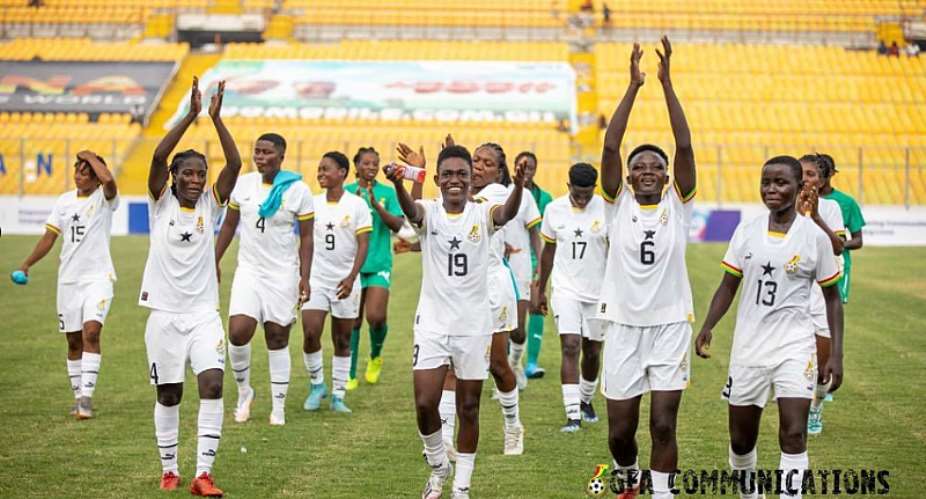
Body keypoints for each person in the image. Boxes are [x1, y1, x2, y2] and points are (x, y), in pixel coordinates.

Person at [696, 155, 844, 499]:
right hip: (748, 348)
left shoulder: (814, 237)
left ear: (799, 187)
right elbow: (728, 283)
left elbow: (833, 298)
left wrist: (835, 354)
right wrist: (708, 325)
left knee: (794, 434)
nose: (772, 189)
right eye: (766, 182)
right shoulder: (747, 231)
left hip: (795, 346)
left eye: (781, 182)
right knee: (741, 440)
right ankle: (751, 494)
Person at [386, 144, 526, 499]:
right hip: (432, 323)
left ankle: (460, 488)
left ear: (469, 181)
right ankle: (438, 466)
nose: (455, 180)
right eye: (447, 174)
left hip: (474, 325)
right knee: (424, 402)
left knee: (468, 407)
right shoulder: (429, 212)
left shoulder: (483, 213)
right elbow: (410, 211)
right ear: (437, 179)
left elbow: (506, 215)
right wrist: (401, 184)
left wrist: (520, 186)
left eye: (462, 174)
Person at [596, 38, 696, 499]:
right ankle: (630, 473)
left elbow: (685, 144)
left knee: (662, 424)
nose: (650, 170)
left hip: (671, 325)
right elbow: (612, 144)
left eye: (657, 165)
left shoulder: (678, 205)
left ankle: (662, 493)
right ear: (630, 177)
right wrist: (633, 87)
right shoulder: (617, 208)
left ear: (668, 176)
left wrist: (667, 82)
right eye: (641, 166)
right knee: (620, 432)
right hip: (622, 326)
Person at [141, 78, 240, 495]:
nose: (197, 179)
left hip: (203, 314)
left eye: (201, 173)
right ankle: (169, 468)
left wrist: (216, 120)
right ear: (174, 177)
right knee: (169, 393)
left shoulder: (211, 204)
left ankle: (202, 474)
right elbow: (159, 153)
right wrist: (190, 115)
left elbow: (234, 165)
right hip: (163, 315)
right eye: (188, 173)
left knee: (213, 384)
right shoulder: (160, 201)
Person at [215, 132, 314, 426]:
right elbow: (229, 225)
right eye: (257, 151)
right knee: (237, 332)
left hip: (283, 273)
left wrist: (304, 277)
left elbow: (307, 238)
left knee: (277, 337)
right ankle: (245, 392)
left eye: (267, 152)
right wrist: (214, 260)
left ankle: (278, 408)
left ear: (281, 156)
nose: (260, 157)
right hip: (249, 270)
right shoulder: (243, 185)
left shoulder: (298, 190)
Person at [437, 141, 527, 461]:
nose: (478, 166)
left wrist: (452, 179)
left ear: (499, 172)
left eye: (487, 163)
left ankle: (513, 425)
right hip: (460, 287)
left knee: (498, 365)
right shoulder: (455, 193)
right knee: (450, 362)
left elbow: (468, 203)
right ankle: (446, 435)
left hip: (491, 286)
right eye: (474, 160)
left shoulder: (498, 194)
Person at [17, 150, 117, 420]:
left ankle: (87, 398)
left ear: (96, 178)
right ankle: (77, 398)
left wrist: (91, 156)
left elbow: (109, 180)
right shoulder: (63, 202)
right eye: (77, 170)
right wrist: (27, 264)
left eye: (86, 172)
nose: (79, 176)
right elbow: (49, 239)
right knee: (73, 342)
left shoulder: (104, 198)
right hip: (68, 281)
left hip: (98, 278)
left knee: (91, 333)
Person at [533, 163, 608, 432]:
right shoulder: (554, 210)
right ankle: (573, 415)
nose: (583, 199)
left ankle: (586, 400)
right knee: (571, 346)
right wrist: (540, 289)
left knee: (592, 351)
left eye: (587, 194)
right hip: (566, 289)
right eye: (578, 194)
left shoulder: (607, 208)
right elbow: (548, 252)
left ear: (595, 189)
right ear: (568, 187)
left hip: (600, 292)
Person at [300, 151, 371, 414]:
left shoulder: (357, 205)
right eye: (318, 169)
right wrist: (304, 278)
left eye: (325, 169)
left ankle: (338, 395)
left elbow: (363, 244)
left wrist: (352, 277)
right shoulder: (312, 204)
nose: (320, 173)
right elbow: (304, 242)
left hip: (345, 282)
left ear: (342, 172)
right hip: (317, 279)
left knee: (342, 340)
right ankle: (317, 384)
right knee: (310, 332)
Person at [344, 147, 404, 390]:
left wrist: (376, 206)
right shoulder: (345, 193)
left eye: (375, 163)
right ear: (356, 165)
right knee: (352, 320)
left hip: (378, 263)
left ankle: (375, 356)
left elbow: (399, 225)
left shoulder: (387, 192)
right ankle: (349, 372)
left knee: (376, 318)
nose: (371, 167)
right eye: (366, 163)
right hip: (350, 266)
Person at [798, 154, 846, 435]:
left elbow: (838, 247)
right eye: (800, 173)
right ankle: (797, 406)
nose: (805, 179)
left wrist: (815, 217)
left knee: (821, 363)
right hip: (791, 291)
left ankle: (815, 408)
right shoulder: (782, 204)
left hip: (820, 293)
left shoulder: (830, 208)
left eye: (811, 174)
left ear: (822, 180)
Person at [501, 153, 543, 389]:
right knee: (498, 327)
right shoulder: (483, 195)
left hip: (520, 264)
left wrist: (539, 268)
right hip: (494, 265)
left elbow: (534, 233)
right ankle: (504, 379)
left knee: (517, 330)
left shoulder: (525, 196)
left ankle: (515, 364)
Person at [519, 152, 554, 379]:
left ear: (536, 169)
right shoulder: (505, 193)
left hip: (535, 258)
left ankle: (531, 362)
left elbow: (548, 233)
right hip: (511, 258)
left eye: (530, 167)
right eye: (522, 166)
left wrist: (542, 265)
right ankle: (511, 360)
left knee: (537, 305)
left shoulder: (545, 198)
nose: (526, 170)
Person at [817, 153, 865, 305]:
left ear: (831, 173)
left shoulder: (847, 202)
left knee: (831, 310)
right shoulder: (799, 200)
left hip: (836, 264)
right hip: (809, 262)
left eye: (821, 171)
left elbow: (858, 241)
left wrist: (836, 244)